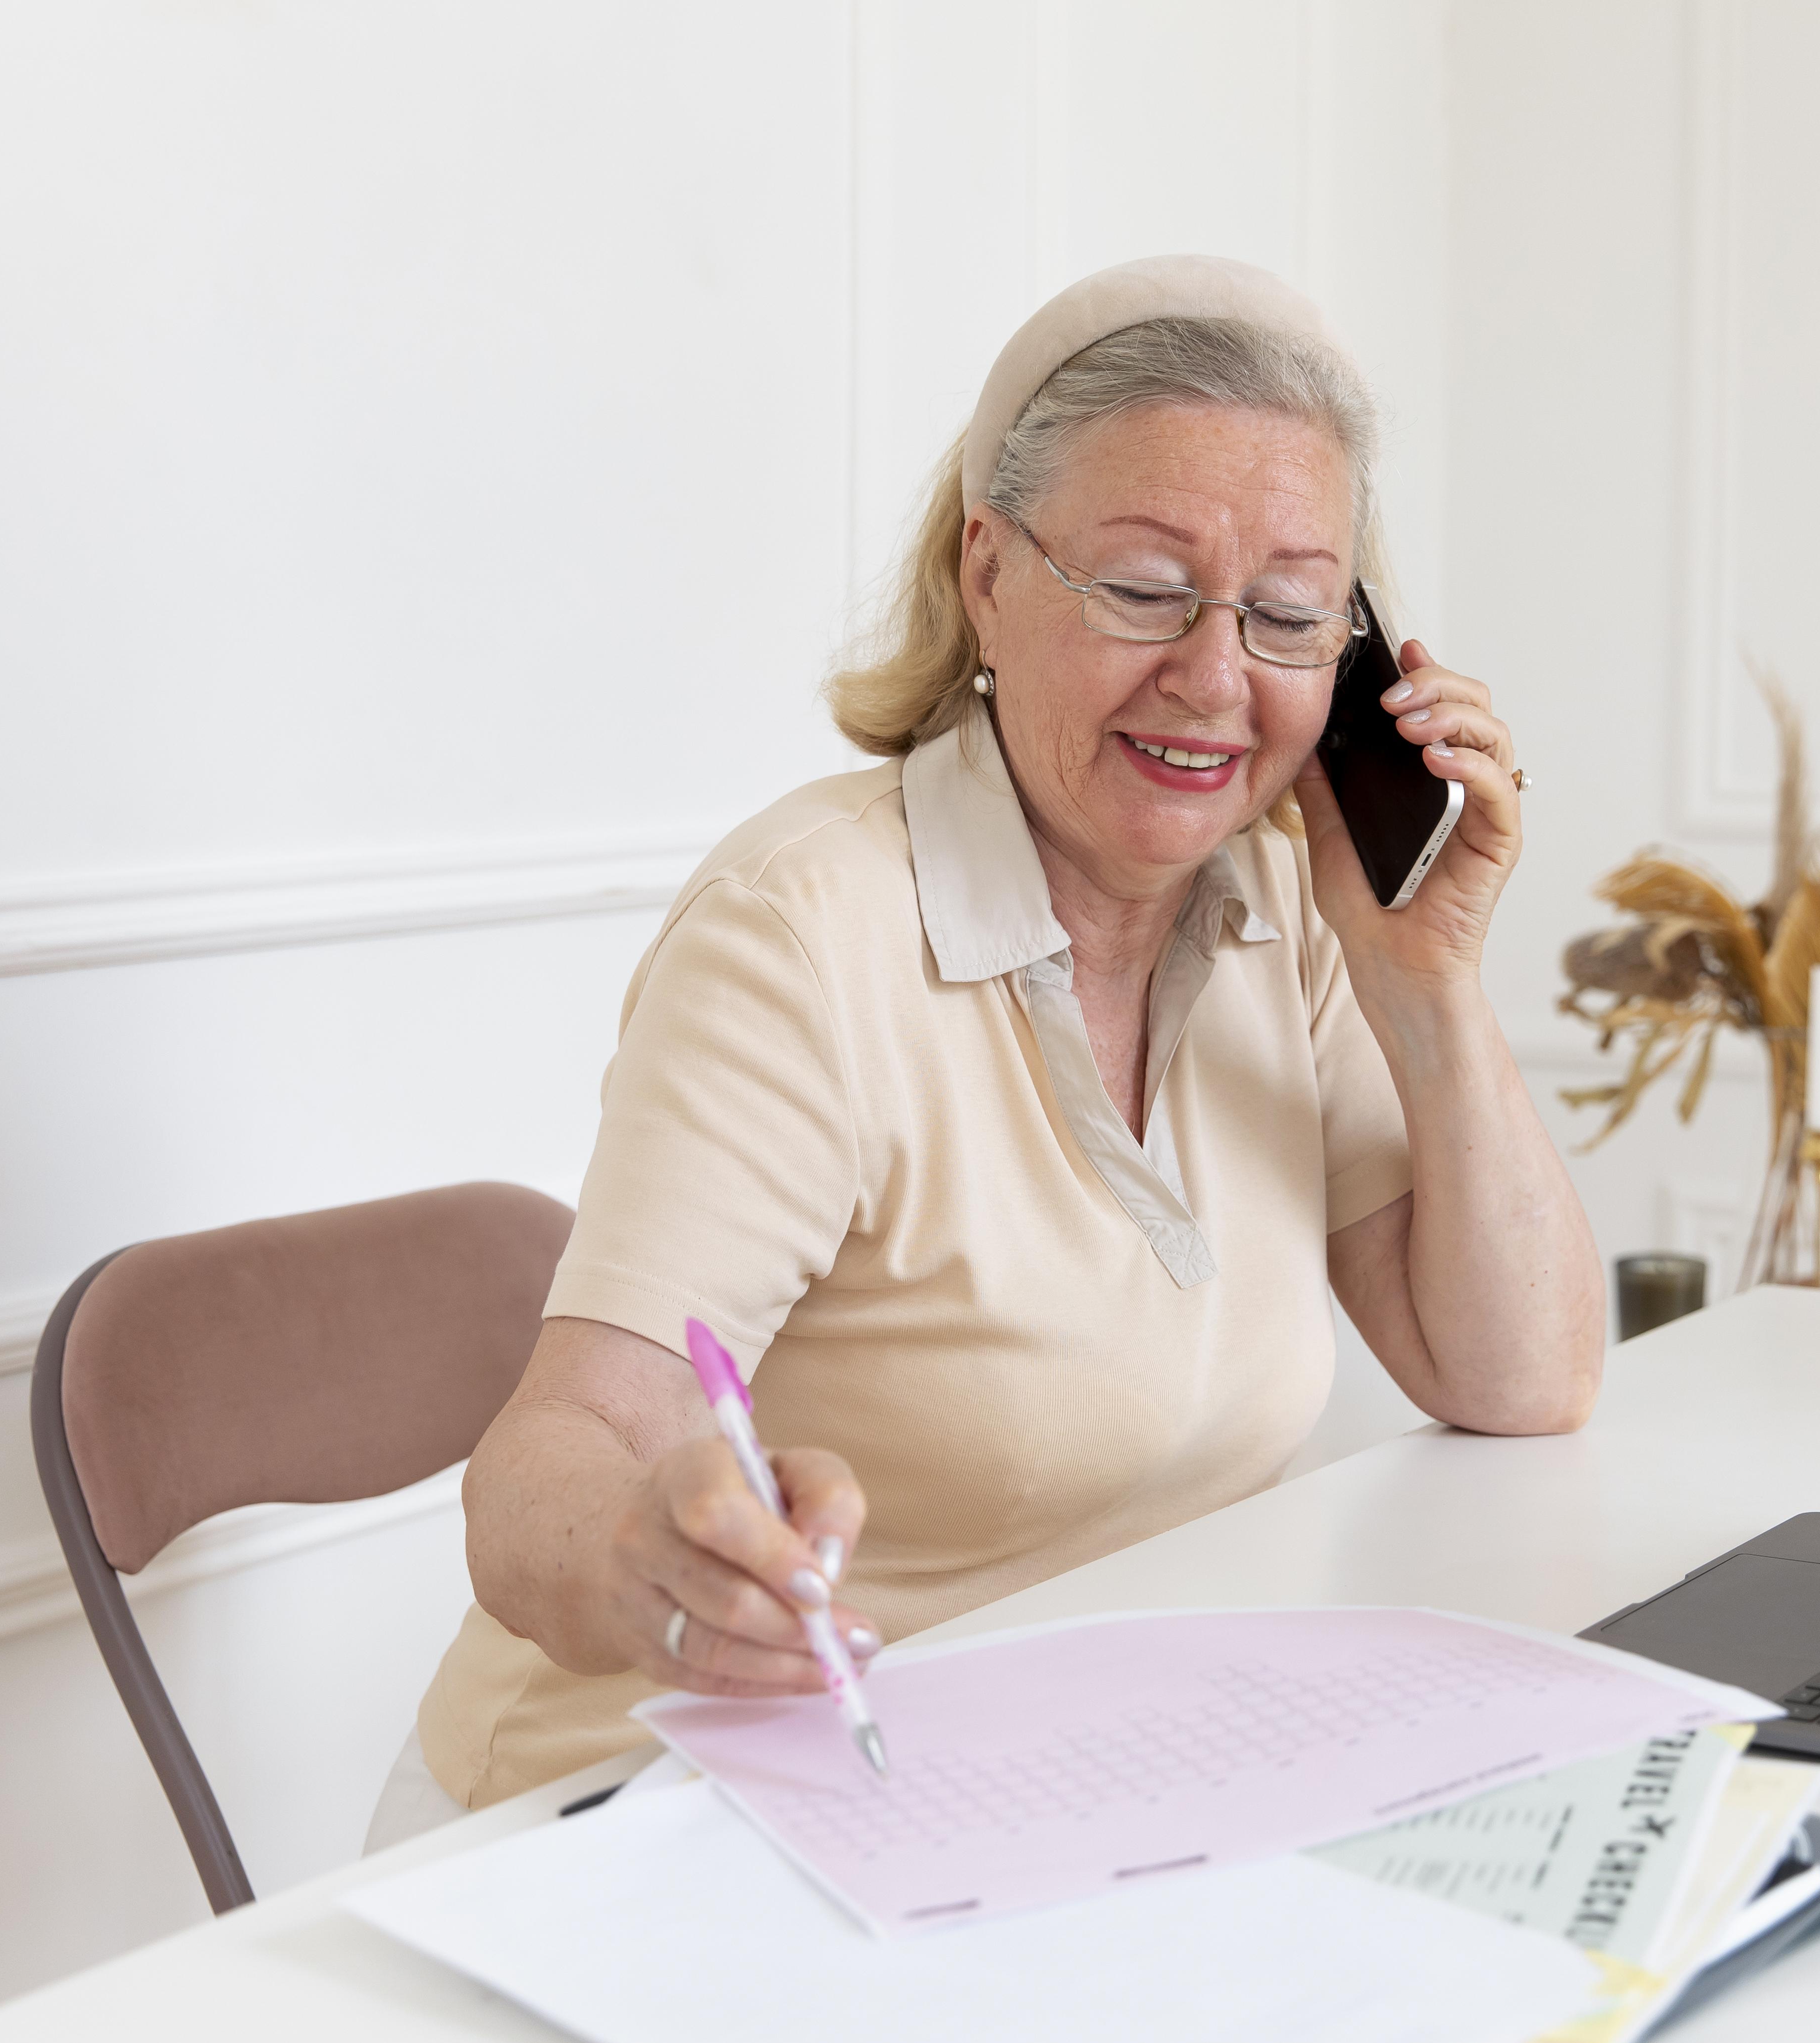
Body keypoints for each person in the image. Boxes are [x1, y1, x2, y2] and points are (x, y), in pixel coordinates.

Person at [388, 255, 1602, 1827]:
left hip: (1061, 1791)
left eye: (1292, 614)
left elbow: (1521, 1377)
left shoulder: (1294, 912)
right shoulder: (802, 934)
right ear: (987, 572)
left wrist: (1427, 980)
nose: (1218, 677)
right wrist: (653, 1560)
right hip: (660, 1809)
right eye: (1146, 588)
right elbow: (558, 1452)